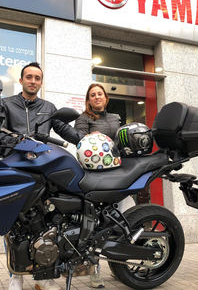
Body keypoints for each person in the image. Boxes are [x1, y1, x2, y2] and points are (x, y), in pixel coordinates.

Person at [0, 62, 81, 290]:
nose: (33, 81)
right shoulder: (6, 104)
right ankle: (15, 275)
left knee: (42, 225)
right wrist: (19, 142)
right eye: (29, 77)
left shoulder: (48, 107)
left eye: (37, 78)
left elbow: (64, 129)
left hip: (42, 173)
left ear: (41, 82)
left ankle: (44, 276)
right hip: (15, 170)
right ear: (22, 80)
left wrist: (84, 139)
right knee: (13, 226)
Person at [74, 83, 121, 289]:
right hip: (93, 174)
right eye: (92, 95)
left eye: (99, 94)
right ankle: (94, 272)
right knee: (94, 223)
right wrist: (90, 138)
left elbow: (121, 142)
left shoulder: (115, 118)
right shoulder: (83, 118)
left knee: (118, 219)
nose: (96, 97)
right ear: (88, 100)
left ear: (105, 98)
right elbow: (80, 140)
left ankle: (121, 264)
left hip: (116, 172)